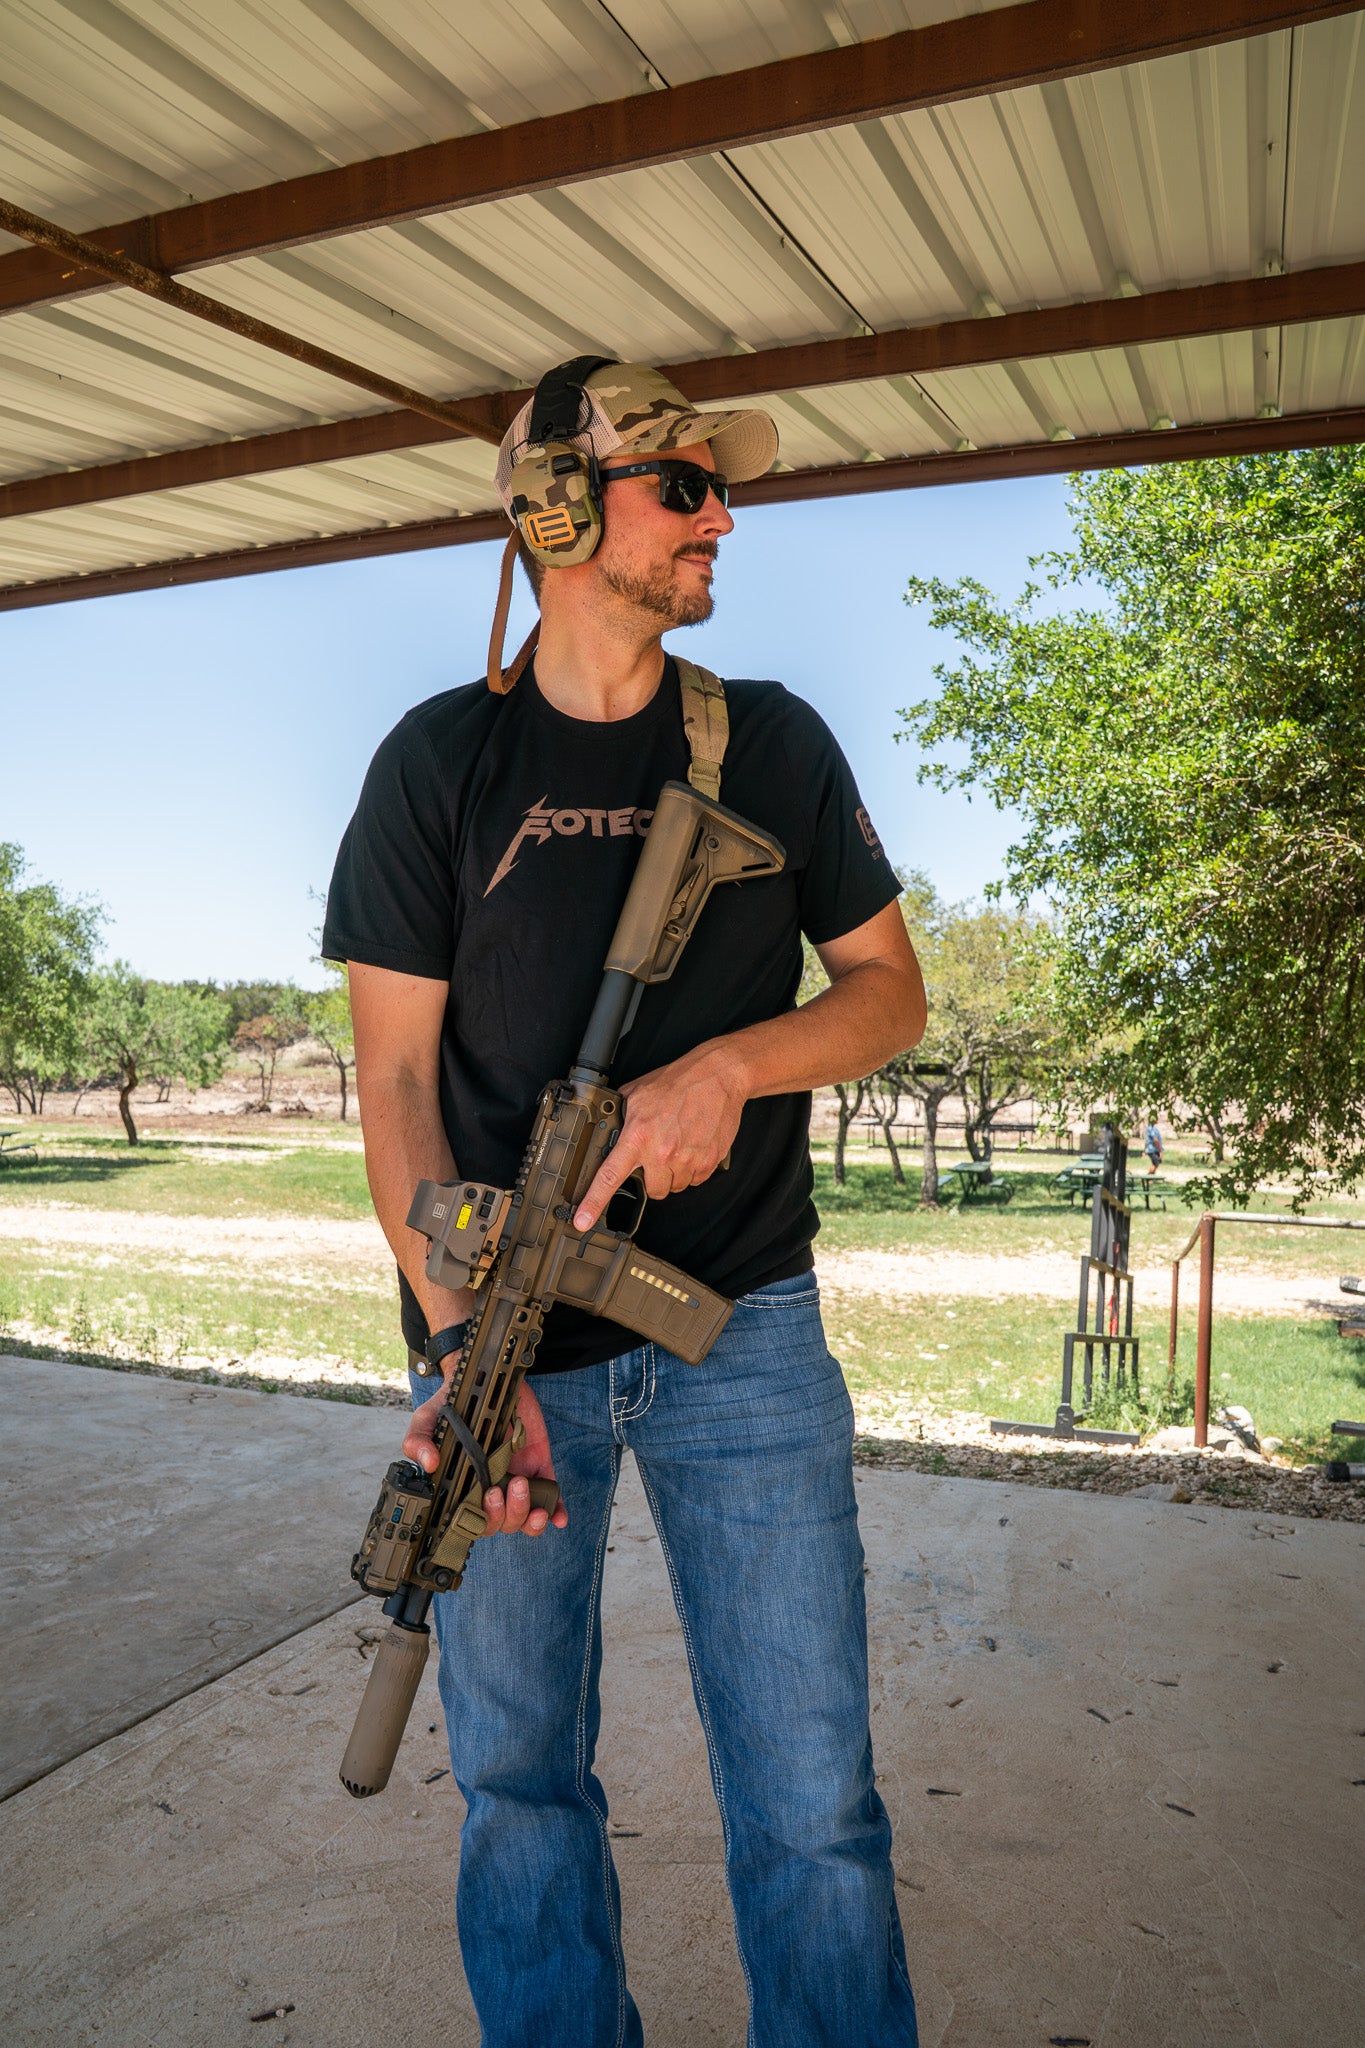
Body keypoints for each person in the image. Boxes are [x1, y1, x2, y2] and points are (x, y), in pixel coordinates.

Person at [323, 358, 926, 2048]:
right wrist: (462, 1361)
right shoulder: (437, 762)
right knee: (517, 1782)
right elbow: (390, 1089)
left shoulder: (772, 742)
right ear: (560, 513)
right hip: (503, 1348)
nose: (722, 515)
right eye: (683, 486)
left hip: (745, 1334)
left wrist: (730, 1067)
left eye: (718, 489)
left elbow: (888, 994)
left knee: (810, 1796)